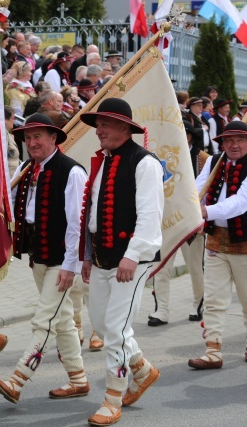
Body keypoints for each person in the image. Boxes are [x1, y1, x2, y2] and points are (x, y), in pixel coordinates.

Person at [0, 114, 89, 404]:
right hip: (38, 256)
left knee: (44, 319)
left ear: (53, 138)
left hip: (62, 259)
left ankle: (18, 379)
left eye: (38, 137)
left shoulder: (72, 172)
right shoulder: (25, 168)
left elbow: (77, 224)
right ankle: (79, 379)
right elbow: (7, 203)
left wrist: (71, 266)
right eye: (28, 137)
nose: (32, 142)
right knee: (63, 322)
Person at [79, 98, 163, 426]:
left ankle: (113, 397)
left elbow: (150, 217)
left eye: (106, 124)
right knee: (101, 323)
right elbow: (94, 214)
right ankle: (142, 369)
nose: (98, 130)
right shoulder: (102, 162)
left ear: (125, 128)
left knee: (114, 328)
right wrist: (88, 255)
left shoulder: (145, 163)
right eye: (97, 124)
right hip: (103, 255)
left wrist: (132, 255)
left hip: (133, 258)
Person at [189, 120, 247, 369]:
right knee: (213, 298)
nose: (234, 145)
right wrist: (188, 206)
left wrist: (204, 212)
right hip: (215, 239)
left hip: (245, 243)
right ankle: (213, 351)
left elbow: (240, 203)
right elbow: (196, 190)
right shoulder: (214, 162)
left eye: (240, 140)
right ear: (221, 142)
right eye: (228, 140)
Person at [148, 120, 207, 326]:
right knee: (160, 267)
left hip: (191, 223)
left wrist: (202, 216)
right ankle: (161, 309)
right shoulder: (158, 154)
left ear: (188, 136)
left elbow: (209, 189)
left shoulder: (202, 159)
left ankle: (199, 304)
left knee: (195, 268)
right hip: (165, 219)